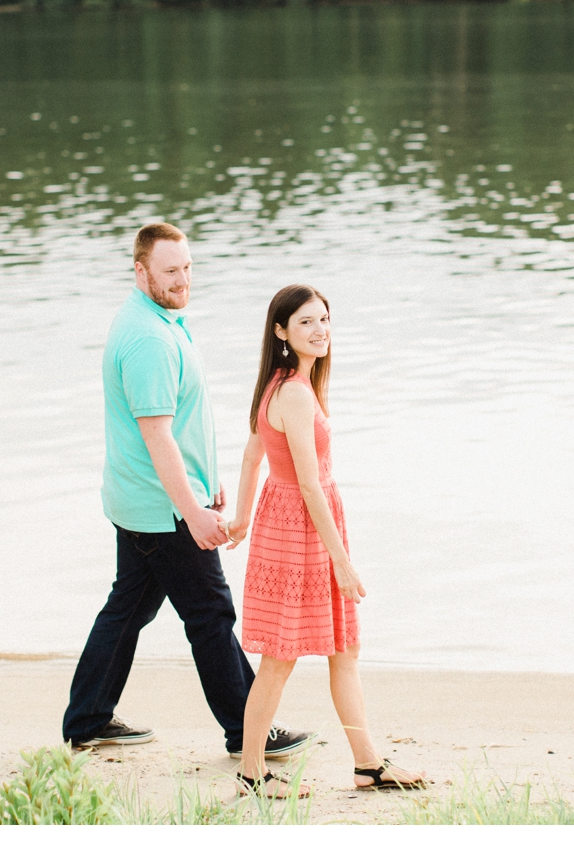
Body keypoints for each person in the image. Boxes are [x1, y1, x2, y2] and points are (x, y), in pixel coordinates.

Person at [61, 223, 315, 762]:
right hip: (162, 508)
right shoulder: (151, 337)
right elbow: (156, 434)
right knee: (210, 615)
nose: (182, 280)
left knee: (128, 607)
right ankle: (247, 729)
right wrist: (193, 509)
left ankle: (87, 718)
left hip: (141, 498)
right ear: (141, 271)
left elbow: (173, 424)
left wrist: (206, 477)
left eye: (187, 267)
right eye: (170, 271)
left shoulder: (156, 318)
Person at [226, 284, 427, 797]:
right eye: (306, 324)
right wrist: (342, 561)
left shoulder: (279, 382)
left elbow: (253, 456)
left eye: (324, 320)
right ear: (281, 332)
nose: (320, 331)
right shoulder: (292, 391)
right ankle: (252, 773)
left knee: (345, 649)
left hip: (292, 521)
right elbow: (309, 484)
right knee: (279, 658)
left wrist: (244, 518)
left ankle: (368, 765)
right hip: (301, 531)